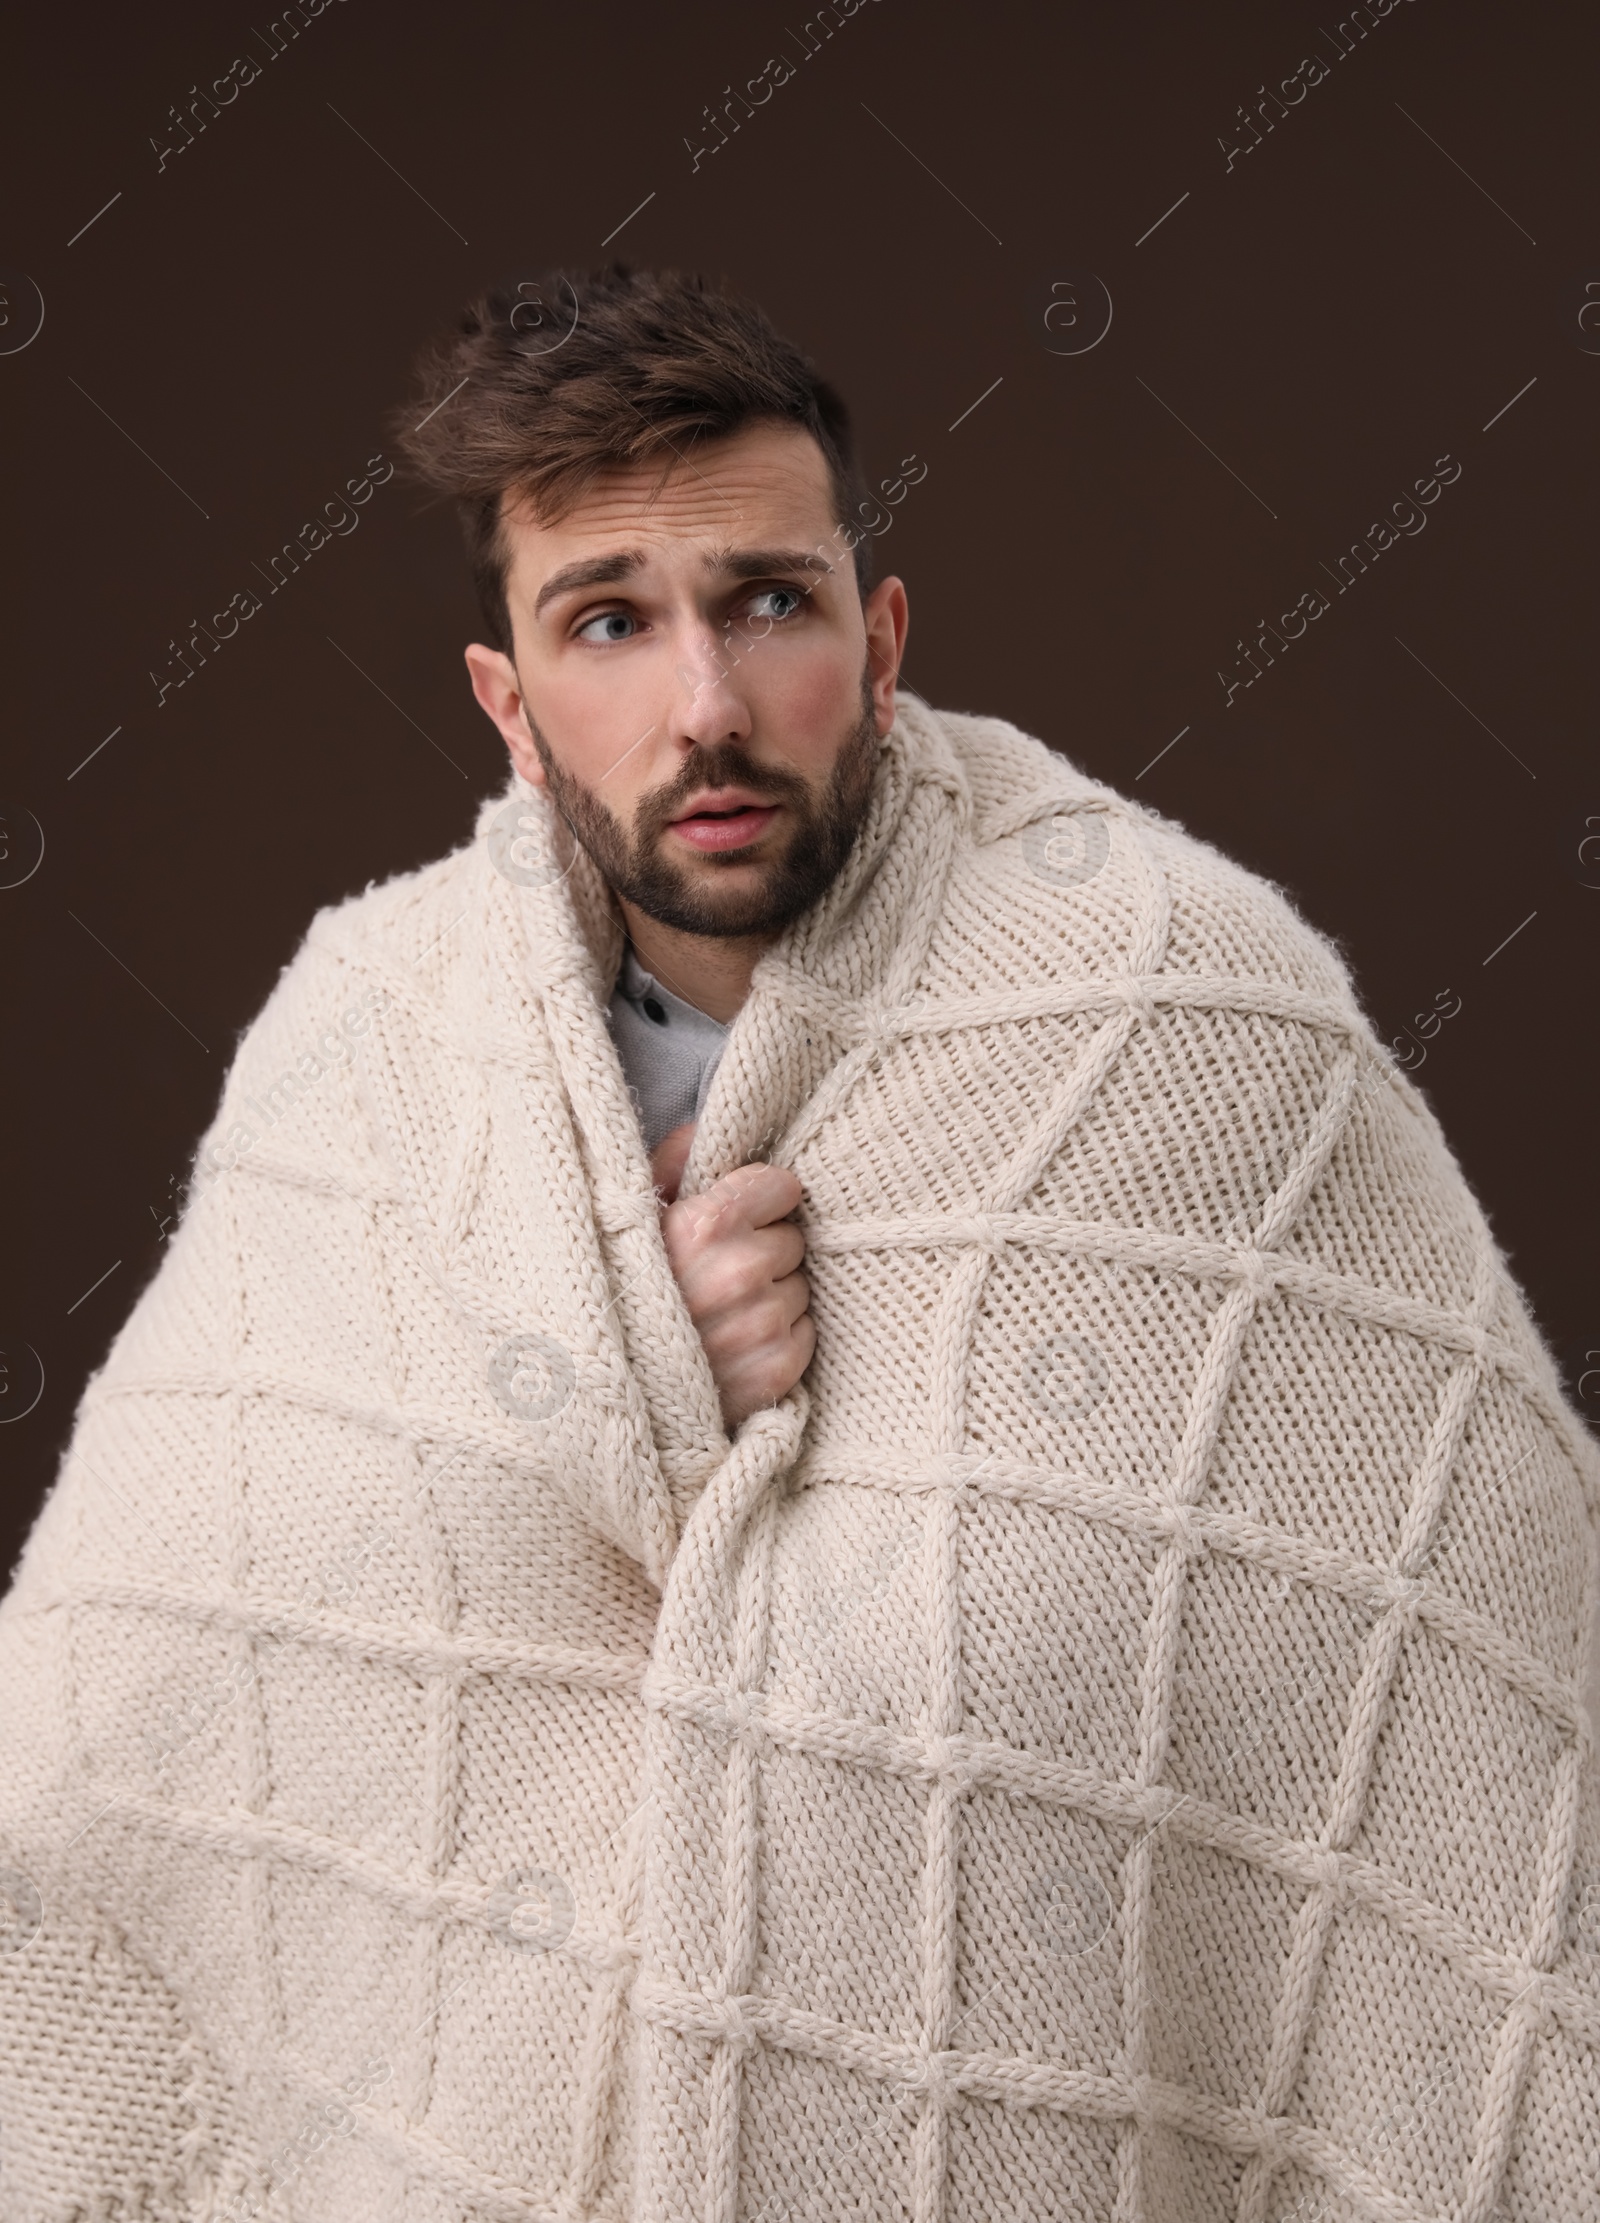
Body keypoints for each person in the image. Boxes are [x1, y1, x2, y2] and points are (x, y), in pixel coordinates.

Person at [1, 266, 1596, 2223]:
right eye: (609, 622)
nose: (707, 705)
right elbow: (141, 1688)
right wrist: (610, 1381)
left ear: (880, 631)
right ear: (508, 700)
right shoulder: (372, 1033)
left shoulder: (1186, 1011)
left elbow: (1460, 1683)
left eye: (768, 599)